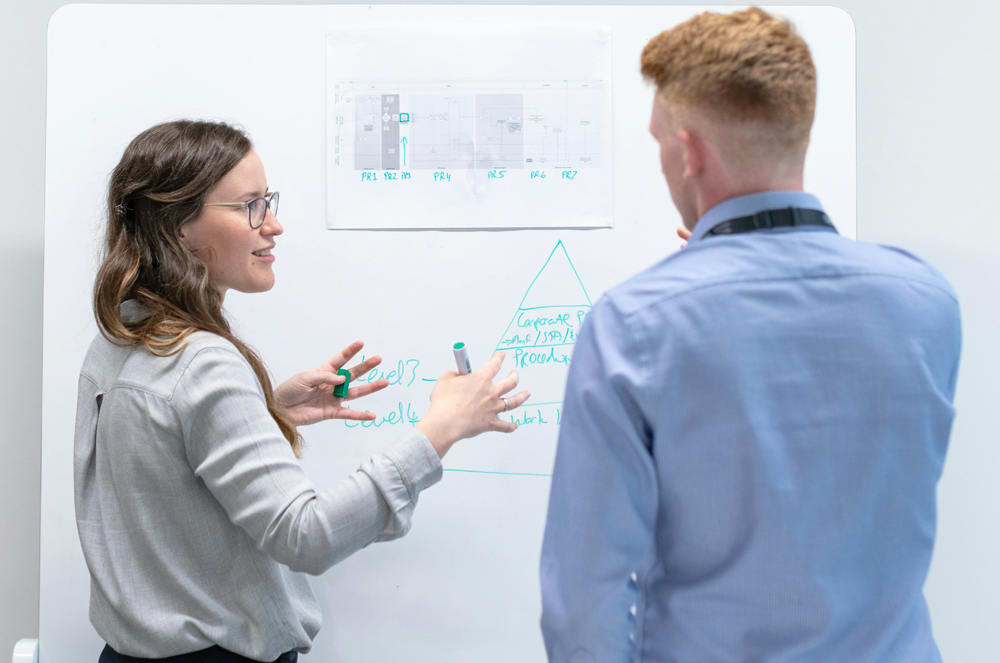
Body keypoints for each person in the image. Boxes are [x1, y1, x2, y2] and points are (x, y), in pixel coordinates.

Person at [540, 7, 960, 662]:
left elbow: (583, 604)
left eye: (659, 143)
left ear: (691, 152)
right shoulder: (926, 303)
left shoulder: (633, 327)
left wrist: (694, 288)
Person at [75, 120, 530, 663]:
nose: (274, 225)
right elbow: (307, 536)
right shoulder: (203, 365)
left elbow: (162, 474)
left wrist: (265, 410)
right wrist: (440, 431)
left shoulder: (120, 338)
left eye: (268, 201)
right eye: (250, 206)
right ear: (179, 228)